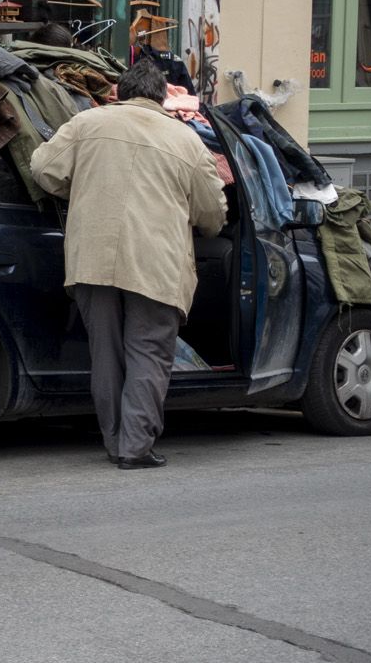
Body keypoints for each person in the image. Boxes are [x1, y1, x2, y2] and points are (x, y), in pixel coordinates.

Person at [30, 60, 226, 470]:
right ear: (161, 98)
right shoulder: (187, 141)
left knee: (106, 354)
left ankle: (115, 440)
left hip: (92, 257)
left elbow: (43, 168)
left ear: (119, 92)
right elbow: (212, 214)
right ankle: (134, 449)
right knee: (149, 352)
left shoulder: (87, 124)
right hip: (155, 263)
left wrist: (79, 186)